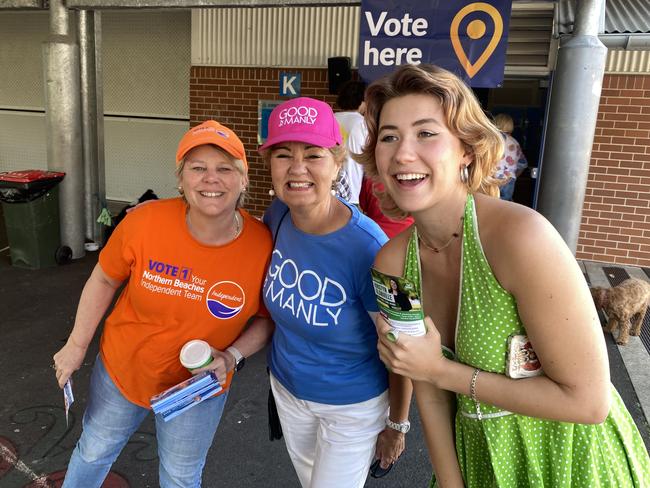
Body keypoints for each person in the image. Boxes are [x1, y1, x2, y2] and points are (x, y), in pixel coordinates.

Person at [357, 64, 650, 487]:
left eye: (426, 133)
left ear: (467, 150)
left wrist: (442, 371)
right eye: (389, 136)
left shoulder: (520, 237)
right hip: (479, 460)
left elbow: (588, 402)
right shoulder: (391, 264)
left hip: (571, 460)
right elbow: (427, 388)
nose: (403, 152)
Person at [52, 120, 274, 488]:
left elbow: (266, 319)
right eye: (197, 168)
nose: (210, 179)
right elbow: (104, 278)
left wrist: (232, 356)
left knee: (180, 477)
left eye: (224, 169)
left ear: (243, 180)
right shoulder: (145, 222)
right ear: (182, 180)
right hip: (123, 372)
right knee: (93, 451)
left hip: (197, 387)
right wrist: (77, 344)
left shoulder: (263, 245)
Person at [259, 96, 411, 488]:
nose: (297, 169)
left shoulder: (378, 249)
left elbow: (406, 343)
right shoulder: (276, 216)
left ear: (337, 162)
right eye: (282, 155)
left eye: (313, 154)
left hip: (352, 406)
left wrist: (397, 424)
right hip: (288, 392)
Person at [334, 80, 367, 204]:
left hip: (329, 188)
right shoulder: (363, 123)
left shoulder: (331, 118)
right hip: (352, 191)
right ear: (361, 101)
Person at [493, 113, 528, 201]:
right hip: (509, 180)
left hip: (491, 178)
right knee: (505, 205)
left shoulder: (491, 140)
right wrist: (513, 175)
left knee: (489, 203)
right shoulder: (515, 143)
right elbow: (523, 164)